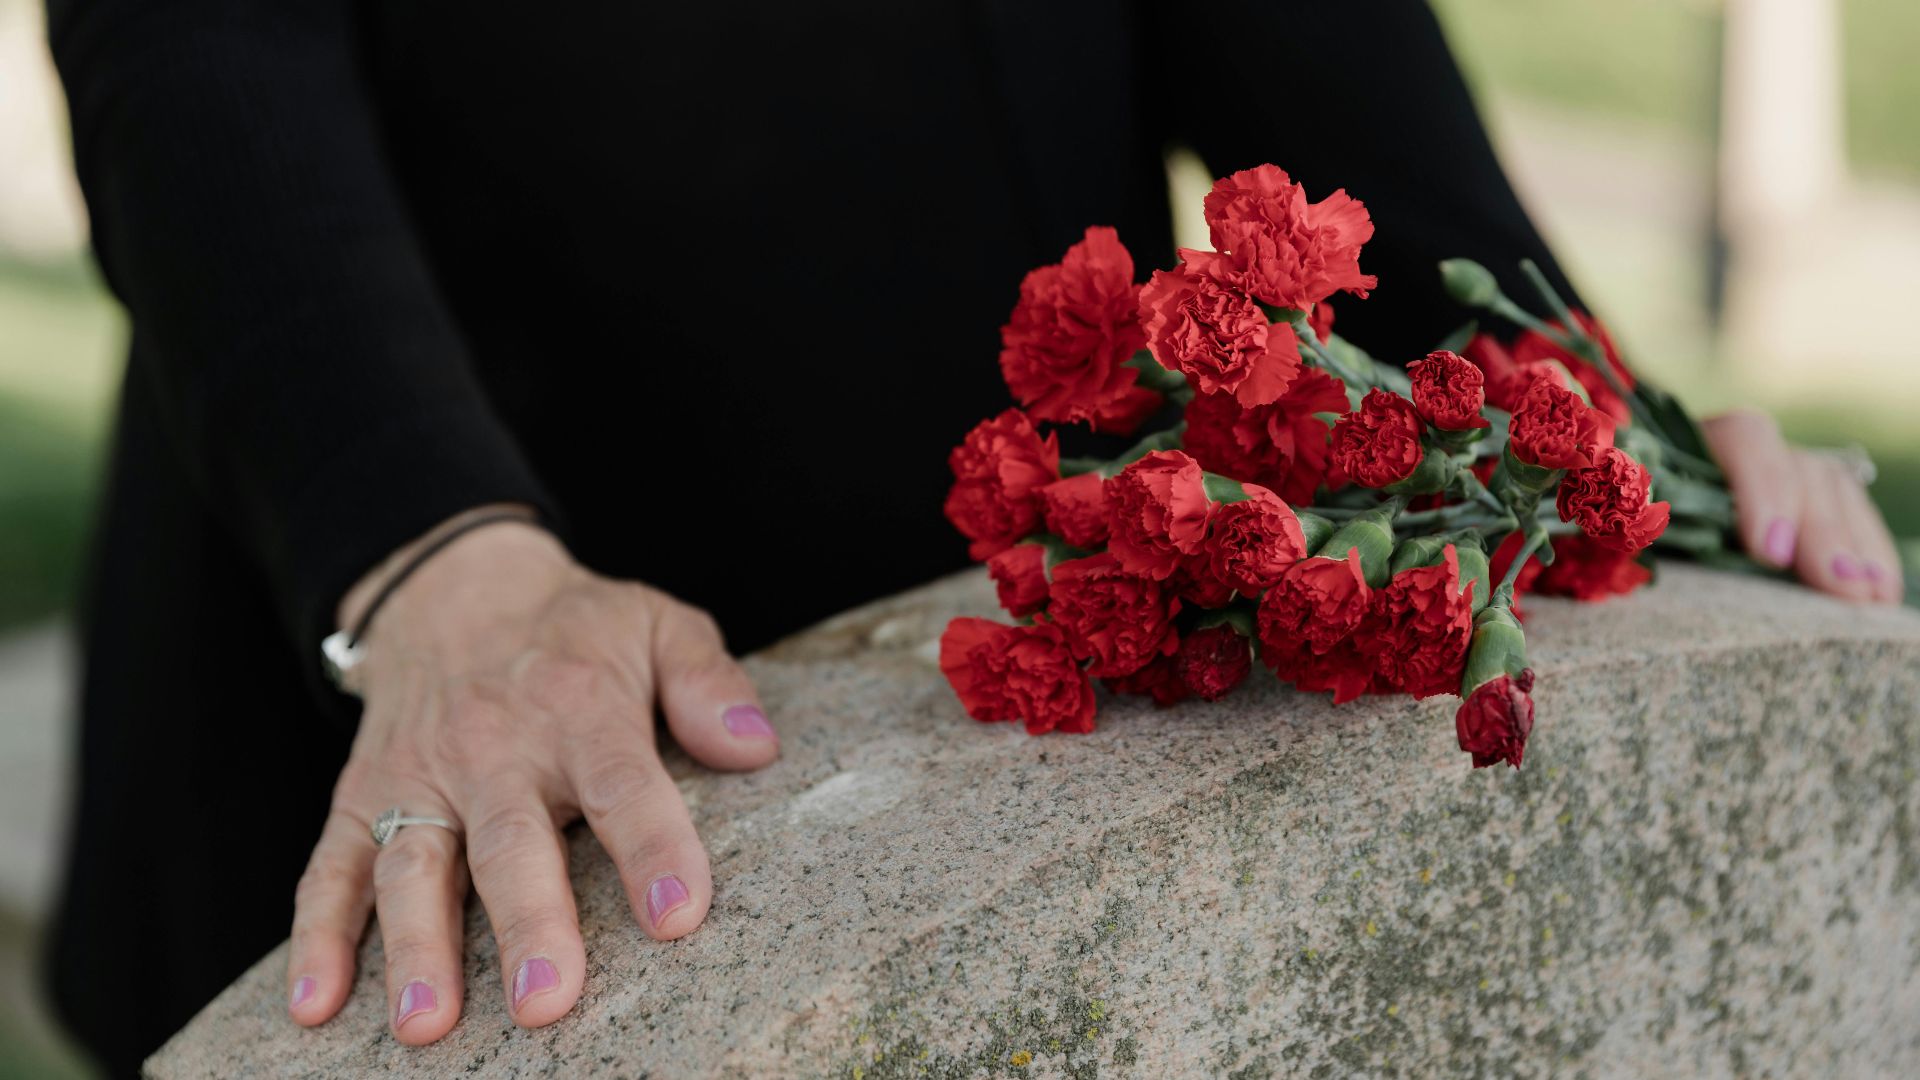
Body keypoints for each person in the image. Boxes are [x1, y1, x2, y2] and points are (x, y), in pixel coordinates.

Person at [41, 0, 1903, 1073]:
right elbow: (195, 46)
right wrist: (431, 560)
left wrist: (1565, 413)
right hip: (418, 597)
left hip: (990, 577)